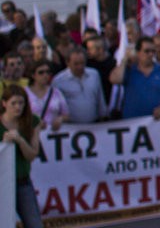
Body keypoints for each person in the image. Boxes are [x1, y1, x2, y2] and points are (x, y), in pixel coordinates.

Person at [2, 85, 43, 228]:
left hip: (22, 181)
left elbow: (32, 155)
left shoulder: (32, 121)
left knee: (34, 223)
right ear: (4, 103)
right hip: (2, 182)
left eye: (21, 103)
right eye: (13, 103)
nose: (18, 107)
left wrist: (20, 141)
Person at [110, 37, 160, 120]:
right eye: (147, 51)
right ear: (138, 52)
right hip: (132, 123)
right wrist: (125, 60)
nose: (150, 54)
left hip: (157, 122)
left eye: (153, 51)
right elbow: (115, 80)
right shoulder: (129, 70)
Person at [52, 47, 107, 123]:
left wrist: (103, 116)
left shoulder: (94, 74)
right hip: (71, 127)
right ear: (67, 63)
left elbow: (99, 97)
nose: (80, 67)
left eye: (82, 63)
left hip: (94, 124)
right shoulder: (58, 80)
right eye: (76, 64)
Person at [25, 59, 69, 130]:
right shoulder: (25, 92)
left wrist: (60, 119)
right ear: (33, 75)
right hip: (31, 131)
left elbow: (66, 114)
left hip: (51, 133)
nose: (45, 75)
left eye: (48, 72)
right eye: (41, 72)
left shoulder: (56, 92)